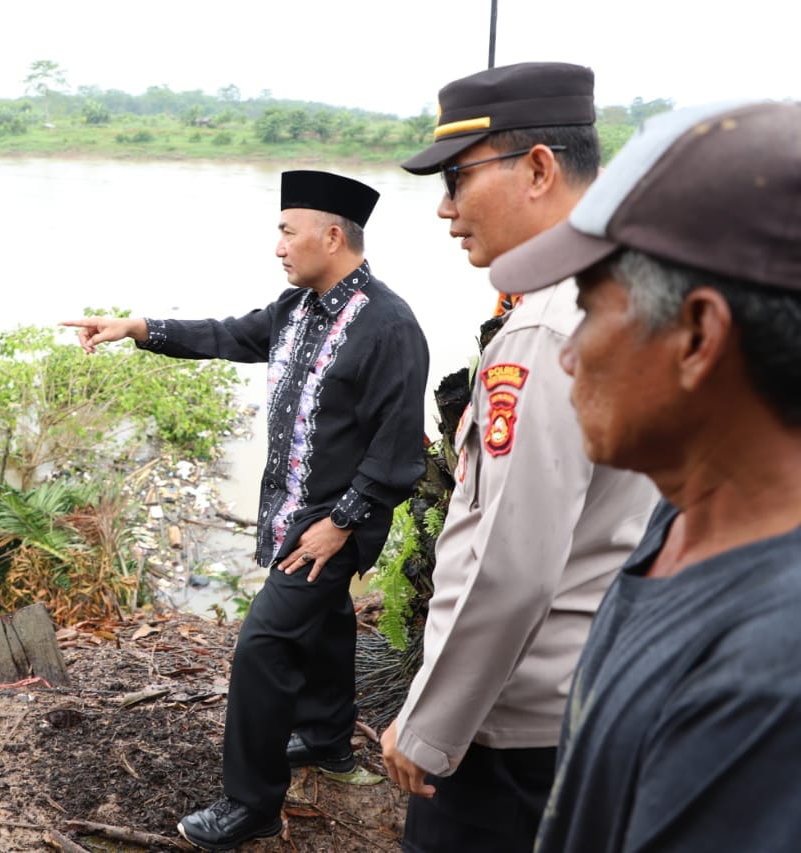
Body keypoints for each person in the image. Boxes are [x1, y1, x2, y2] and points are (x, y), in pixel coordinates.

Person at [63, 170, 430, 851]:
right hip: (293, 515)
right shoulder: (296, 309)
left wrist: (341, 522)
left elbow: (399, 444)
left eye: (288, 232)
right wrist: (136, 327)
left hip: (331, 526)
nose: (279, 247)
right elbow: (228, 335)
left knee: (262, 646)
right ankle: (325, 739)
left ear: (331, 234)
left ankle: (250, 802)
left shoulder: (389, 324)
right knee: (327, 621)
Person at [488, 98, 801, 853]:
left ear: (697, 335)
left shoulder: (768, 680)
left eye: (592, 311)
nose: (568, 354)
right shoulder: (683, 516)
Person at [379, 62, 659, 852]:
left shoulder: (545, 327)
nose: (444, 208)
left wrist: (431, 726)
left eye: (459, 178)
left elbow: (510, 562)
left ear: (538, 167)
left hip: (515, 730)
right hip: (598, 688)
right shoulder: (628, 279)